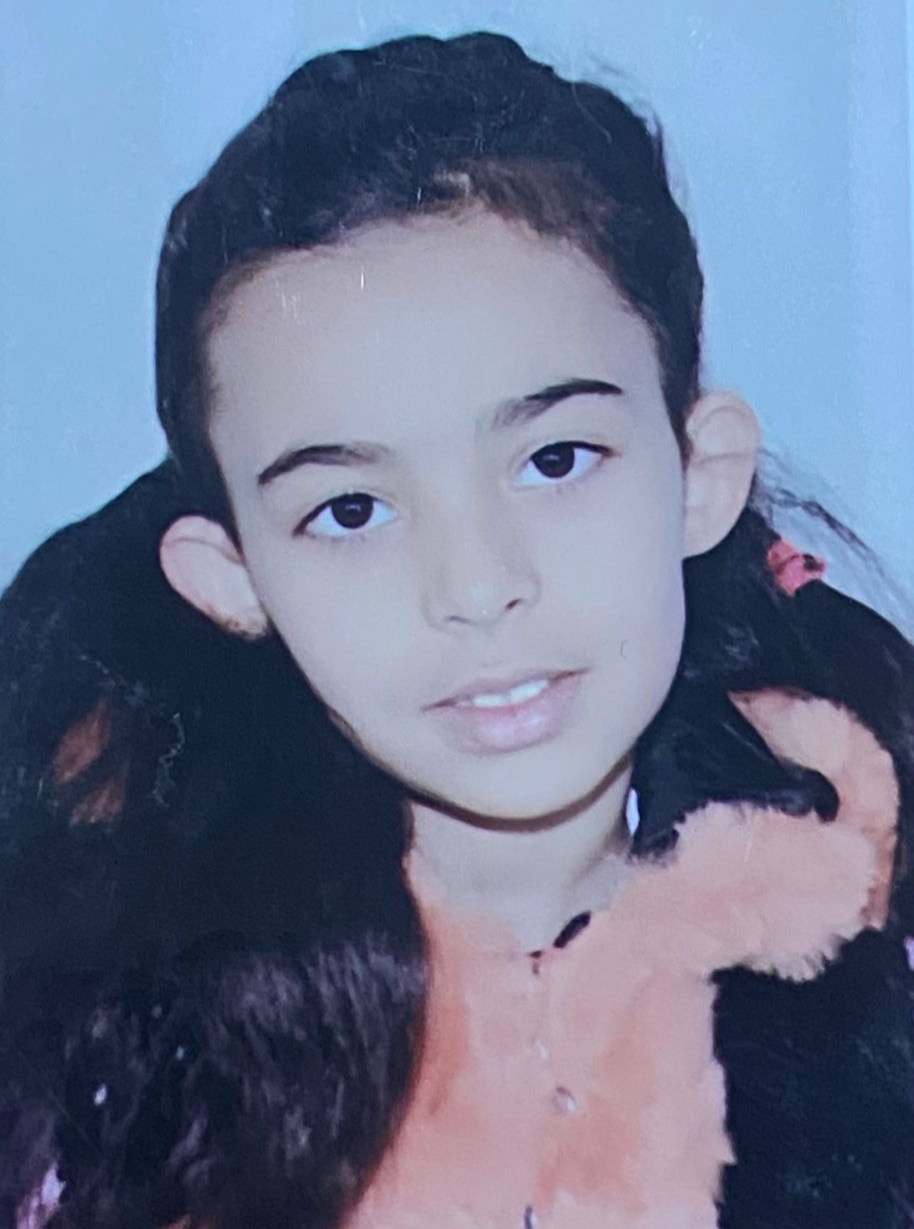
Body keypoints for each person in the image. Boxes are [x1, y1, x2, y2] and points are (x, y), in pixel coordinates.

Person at [2, 30, 913, 1229]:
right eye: (351, 510)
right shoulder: (116, 1072)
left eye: (554, 458)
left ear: (698, 474)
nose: (477, 585)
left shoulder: (869, 936)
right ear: (233, 579)